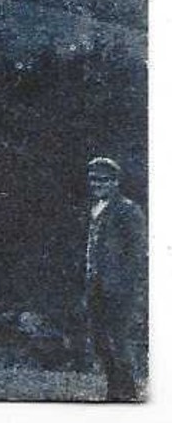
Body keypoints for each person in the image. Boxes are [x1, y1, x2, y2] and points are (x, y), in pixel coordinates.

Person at [83, 156, 146, 402]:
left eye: (103, 180)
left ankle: (127, 392)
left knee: (117, 338)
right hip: (95, 285)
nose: (97, 184)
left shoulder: (128, 210)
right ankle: (113, 388)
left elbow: (137, 252)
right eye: (93, 179)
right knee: (99, 339)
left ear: (116, 182)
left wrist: (124, 284)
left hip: (119, 288)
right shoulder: (93, 208)